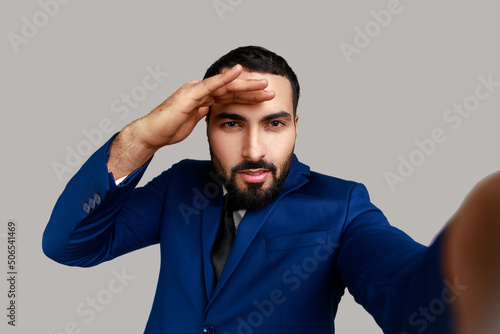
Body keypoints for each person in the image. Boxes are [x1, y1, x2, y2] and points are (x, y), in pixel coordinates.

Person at [43, 46, 500, 334]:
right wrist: (142, 138)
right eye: (231, 123)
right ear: (204, 127)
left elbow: (404, 293)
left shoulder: (340, 206)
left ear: (295, 128)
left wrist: (476, 251)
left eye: (274, 124)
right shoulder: (181, 186)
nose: (254, 148)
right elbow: (70, 244)